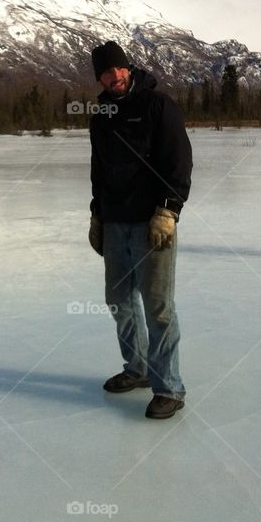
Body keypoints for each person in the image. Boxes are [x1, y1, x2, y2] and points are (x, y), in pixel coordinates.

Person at [87, 41, 193, 419]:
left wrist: (167, 211)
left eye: (118, 69)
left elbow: (178, 163)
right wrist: (97, 215)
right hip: (115, 223)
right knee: (120, 301)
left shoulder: (158, 106)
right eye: (105, 72)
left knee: (157, 306)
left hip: (153, 224)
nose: (114, 77)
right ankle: (138, 369)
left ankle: (170, 388)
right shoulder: (101, 117)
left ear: (128, 69)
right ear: (99, 77)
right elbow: (98, 171)